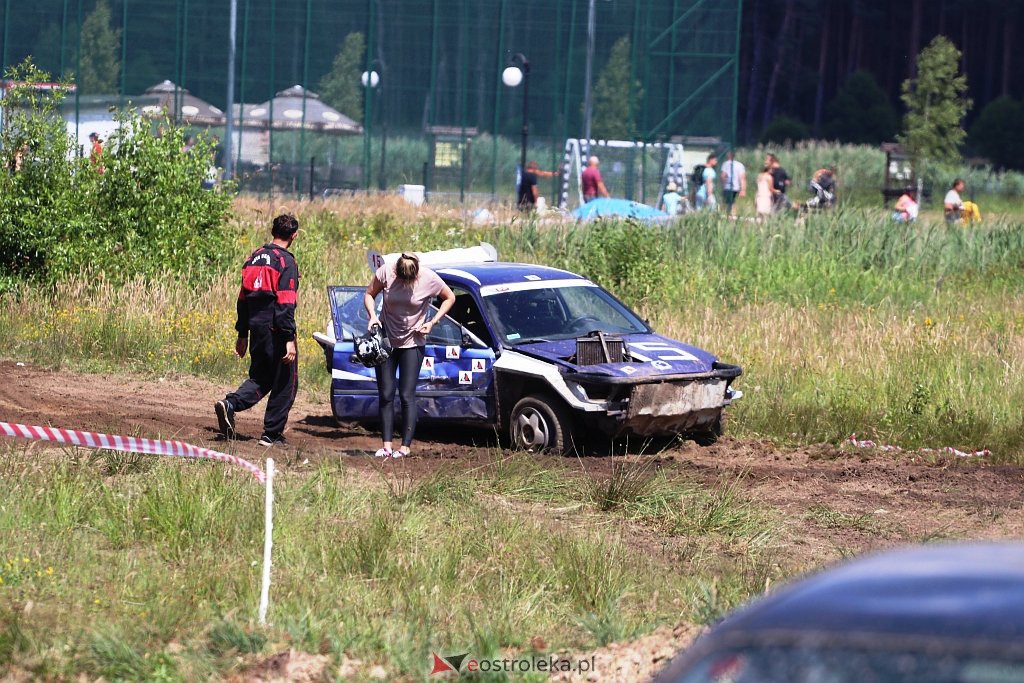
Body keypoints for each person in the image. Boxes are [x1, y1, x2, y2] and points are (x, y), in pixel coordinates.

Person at [215, 214, 301, 447]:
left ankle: (230, 404)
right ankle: (271, 435)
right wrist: (289, 339)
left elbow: (243, 300)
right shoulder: (286, 262)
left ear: (273, 231)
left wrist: (242, 333)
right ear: (294, 235)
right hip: (276, 329)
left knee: (262, 377)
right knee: (286, 382)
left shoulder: (253, 258)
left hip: (256, 329)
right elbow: (285, 304)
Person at [364, 253, 456, 458]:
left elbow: (450, 297)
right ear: (397, 271)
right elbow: (369, 294)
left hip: (413, 343)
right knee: (386, 393)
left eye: (410, 279)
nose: (406, 282)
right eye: (402, 278)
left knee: (406, 394)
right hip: (386, 341)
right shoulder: (386, 272)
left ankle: (405, 447)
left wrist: (433, 322)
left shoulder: (429, 278)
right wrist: (372, 317)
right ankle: (386, 446)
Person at [720, 150, 746, 217]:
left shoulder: (725, 164)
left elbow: (723, 176)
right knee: (732, 202)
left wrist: (721, 185)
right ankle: (733, 215)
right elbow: (742, 178)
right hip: (736, 187)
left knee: (726, 203)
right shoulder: (740, 165)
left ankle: (726, 215)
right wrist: (743, 190)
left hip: (727, 186)